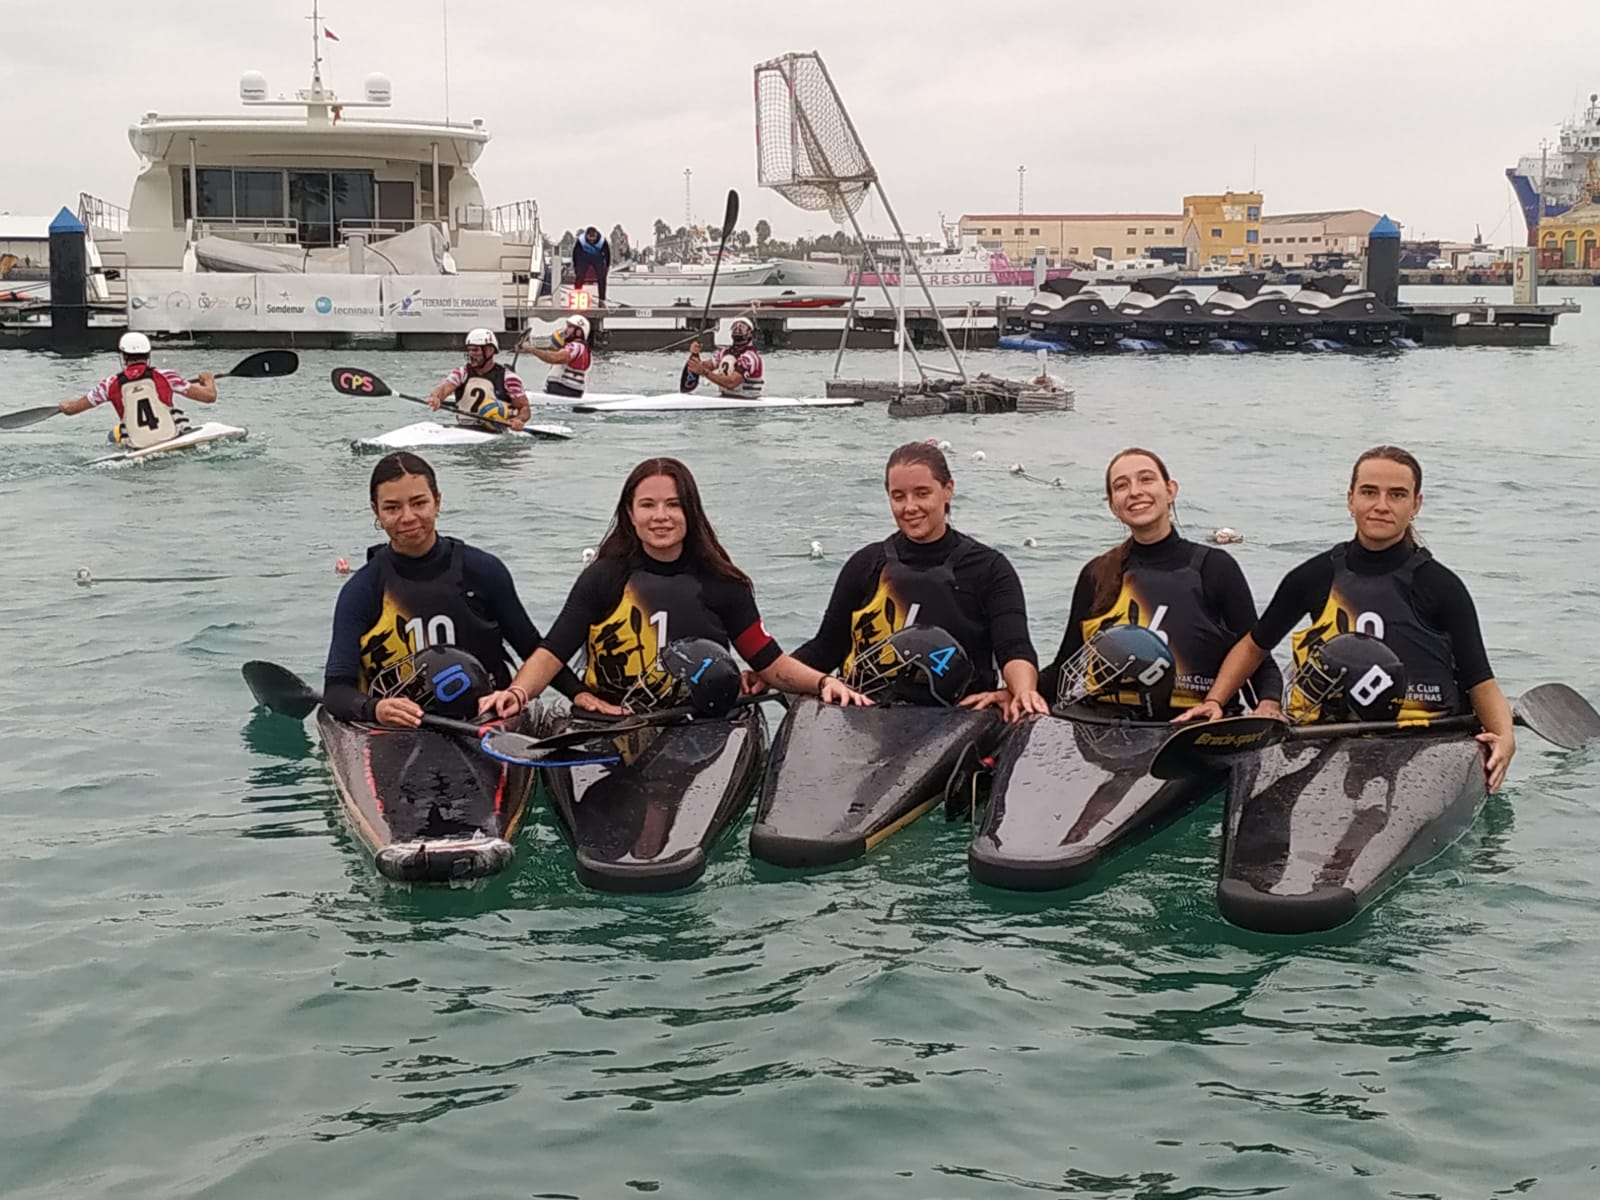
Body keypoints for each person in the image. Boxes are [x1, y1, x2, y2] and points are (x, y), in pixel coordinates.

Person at [1176, 445, 1516, 790]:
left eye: (1397, 495)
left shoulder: (1441, 586)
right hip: (1324, 733)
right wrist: (1214, 701)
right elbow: (1253, 646)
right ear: (1351, 499)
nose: (1381, 505)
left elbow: (1479, 678)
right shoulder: (1313, 576)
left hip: (1423, 737)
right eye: (1370, 492)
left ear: (1416, 505)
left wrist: (1504, 737)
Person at [479, 457, 870, 719]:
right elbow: (552, 652)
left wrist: (823, 682)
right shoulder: (603, 577)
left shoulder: (724, 584)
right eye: (648, 505)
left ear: (691, 512)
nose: (661, 516)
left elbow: (769, 661)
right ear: (630, 514)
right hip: (614, 719)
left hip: (700, 722)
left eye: (673, 505)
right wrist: (517, 694)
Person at [324, 451, 604, 727]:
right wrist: (375, 708)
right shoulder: (362, 589)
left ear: (437, 501)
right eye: (392, 508)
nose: (407, 517)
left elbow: (531, 648)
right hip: (403, 727)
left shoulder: (483, 570)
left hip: (486, 718)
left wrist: (578, 693)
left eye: (418, 503)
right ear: (376, 511)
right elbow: (337, 691)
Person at [791, 441, 1046, 721]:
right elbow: (825, 648)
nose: (910, 507)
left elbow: (1015, 648)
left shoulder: (990, 569)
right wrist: (766, 671)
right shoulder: (865, 564)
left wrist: (1022, 691)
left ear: (948, 490)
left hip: (957, 718)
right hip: (866, 714)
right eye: (898, 497)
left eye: (922, 493)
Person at [1039, 448, 1283, 719]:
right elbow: (1063, 668)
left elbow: (1256, 656)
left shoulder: (1215, 567)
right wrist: (1016, 691)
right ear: (1112, 505)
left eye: (1146, 479)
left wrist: (1268, 704)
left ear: (1170, 490)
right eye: (1121, 486)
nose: (1134, 492)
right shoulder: (1096, 574)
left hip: (1194, 724)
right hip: (1106, 725)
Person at [55, 332, 217, 448]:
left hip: (137, 447)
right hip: (173, 437)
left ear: (124, 357)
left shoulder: (108, 385)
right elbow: (209, 396)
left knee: (113, 436)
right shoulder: (167, 377)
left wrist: (64, 405)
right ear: (148, 355)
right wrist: (208, 380)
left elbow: (71, 409)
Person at [425, 328, 530, 431]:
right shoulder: (461, 373)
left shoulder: (509, 378)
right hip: (465, 429)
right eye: (469, 350)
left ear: (490, 350)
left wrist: (518, 420)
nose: (471, 354)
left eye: (475, 350)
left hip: (498, 432)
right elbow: (444, 388)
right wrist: (436, 397)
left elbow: (524, 408)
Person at [683, 317, 763, 399]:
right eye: (734, 327)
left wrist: (704, 372)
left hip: (747, 401)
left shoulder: (750, 357)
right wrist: (695, 354)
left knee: (728, 361)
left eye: (742, 327)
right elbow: (703, 366)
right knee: (727, 359)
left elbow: (731, 383)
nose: (737, 330)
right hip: (726, 398)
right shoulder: (724, 352)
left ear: (750, 333)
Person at [519, 314, 593, 398]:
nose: (566, 330)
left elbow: (555, 358)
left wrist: (531, 350)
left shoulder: (575, 346)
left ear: (579, 332)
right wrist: (529, 349)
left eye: (569, 327)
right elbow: (553, 353)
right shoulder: (582, 348)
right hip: (570, 391)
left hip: (563, 390)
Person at [571, 226, 611, 303]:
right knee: (579, 276)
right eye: (590, 238)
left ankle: (602, 300)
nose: (592, 240)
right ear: (586, 235)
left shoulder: (602, 241)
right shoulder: (581, 240)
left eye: (594, 237)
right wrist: (576, 266)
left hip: (597, 257)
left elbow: (608, 254)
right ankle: (577, 299)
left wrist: (607, 266)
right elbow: (575, 253)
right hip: (584, 257)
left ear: (596, 235)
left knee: (602, 277)